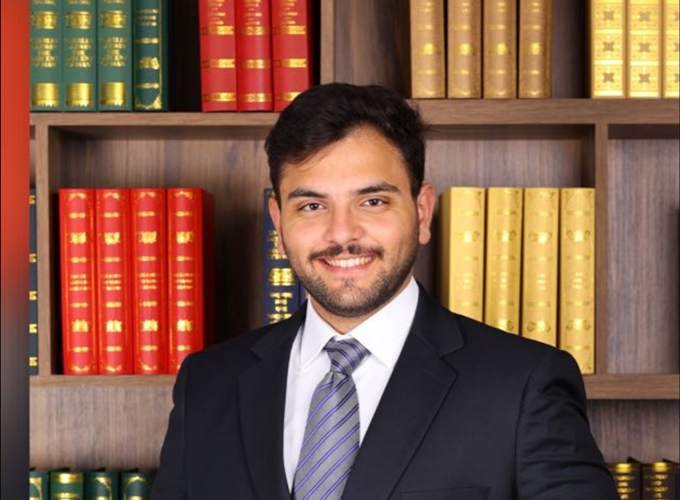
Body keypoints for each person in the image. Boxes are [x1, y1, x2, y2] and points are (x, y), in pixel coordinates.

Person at [151, 83, 618, 500]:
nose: (342, 233)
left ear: (422, 211)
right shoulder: (206, 383)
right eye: (311, 205)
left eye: (372, 201)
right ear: (279, 221)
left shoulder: (523, 384)